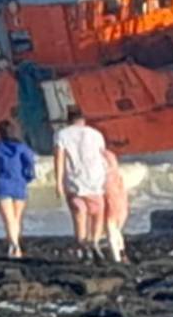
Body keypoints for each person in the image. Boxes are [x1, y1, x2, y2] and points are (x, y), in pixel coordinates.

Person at [54, 106, 108, 258]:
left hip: (74, 180)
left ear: (68, 119)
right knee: (98, 212)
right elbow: (103, 156)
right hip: (95, 178)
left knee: (79, 212)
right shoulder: (96, 134)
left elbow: (59, 158)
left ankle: (82, 245)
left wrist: (58, 183)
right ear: (83, 119)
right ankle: (95, 241)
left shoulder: (62, 135)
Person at [0, 119, 36, 259]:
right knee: (16, 218)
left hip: (2, 184)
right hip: (19, 184)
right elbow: (30, 164)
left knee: (9, 219)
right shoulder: (22, 147)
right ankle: (15, 246)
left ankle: (14, 245)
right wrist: (27, 178)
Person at [102, 149, 130, 263]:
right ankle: (122, 253)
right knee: (116, 230)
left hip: (110, 201)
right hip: (120, 202)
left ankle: (117, 258)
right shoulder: (117, 175)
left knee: (111, 231)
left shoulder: (105, 177)